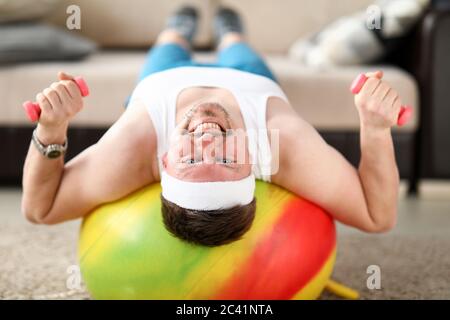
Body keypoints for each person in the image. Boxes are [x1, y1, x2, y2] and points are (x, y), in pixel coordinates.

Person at [22, 6, 402, 246]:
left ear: (165, 163)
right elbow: (377, 216)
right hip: (251, 79)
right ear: (252, 164)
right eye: (224, 156)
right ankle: (229, 31)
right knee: (237, 44)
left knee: (168, 43)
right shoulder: (281, 147)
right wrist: (375, 127)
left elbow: (39, 210)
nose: (206, 139)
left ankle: (180, 28)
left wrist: (51, 131)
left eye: (191, 160)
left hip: (164, 76)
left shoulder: (134, 150)